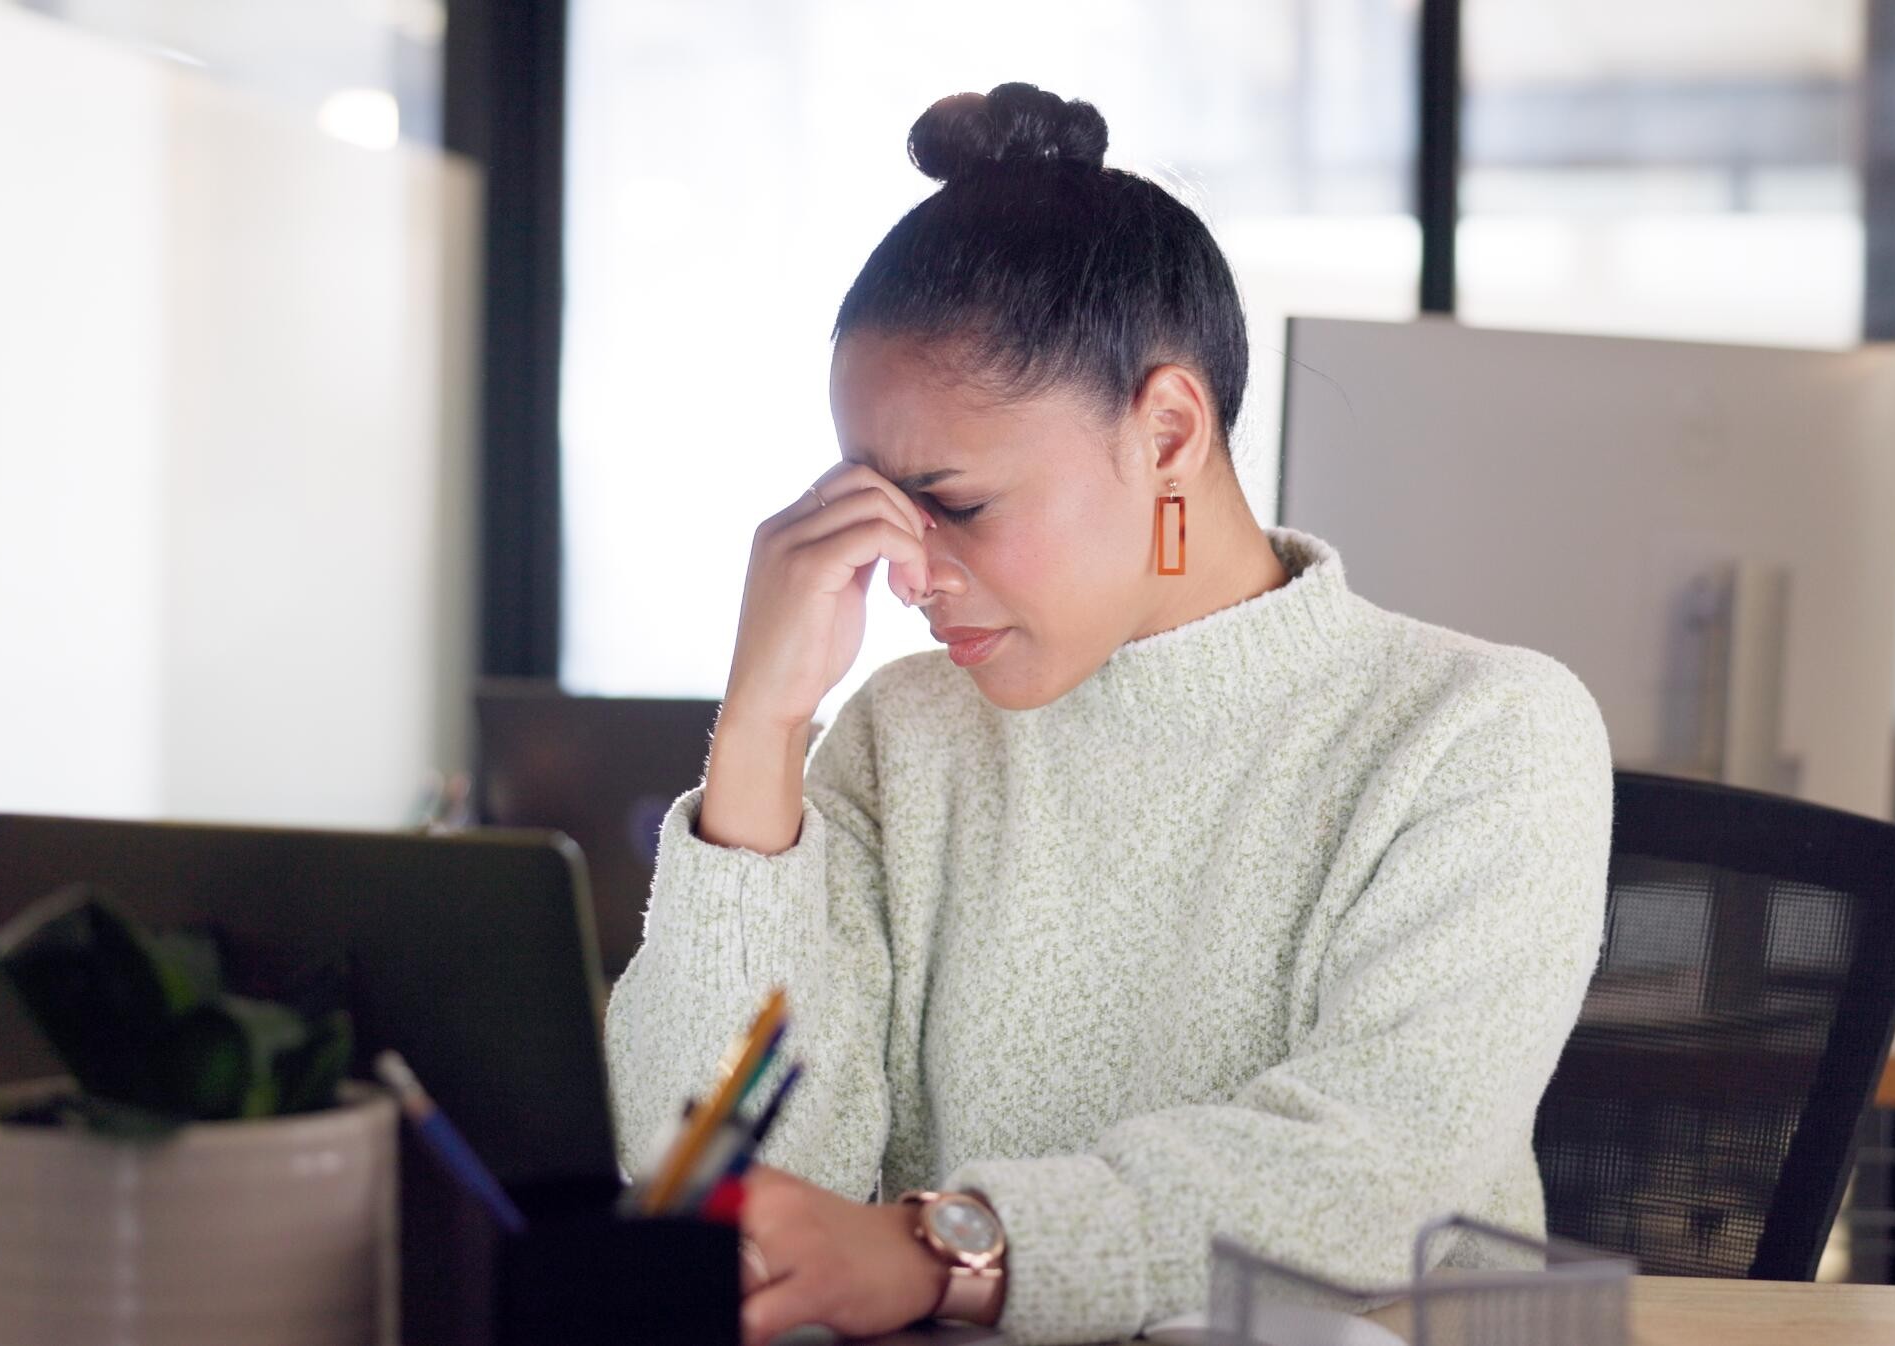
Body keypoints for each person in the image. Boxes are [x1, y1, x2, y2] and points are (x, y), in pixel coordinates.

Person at [605, 82, 1612, 1346]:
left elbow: (1373, 1171)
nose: (907, 574)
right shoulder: (901, 734)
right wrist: (760, 727)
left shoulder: (1481, 731)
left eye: (956, 502)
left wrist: (941, 1248)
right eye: (879, 510)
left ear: (1169, 431)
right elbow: (722, 1189)